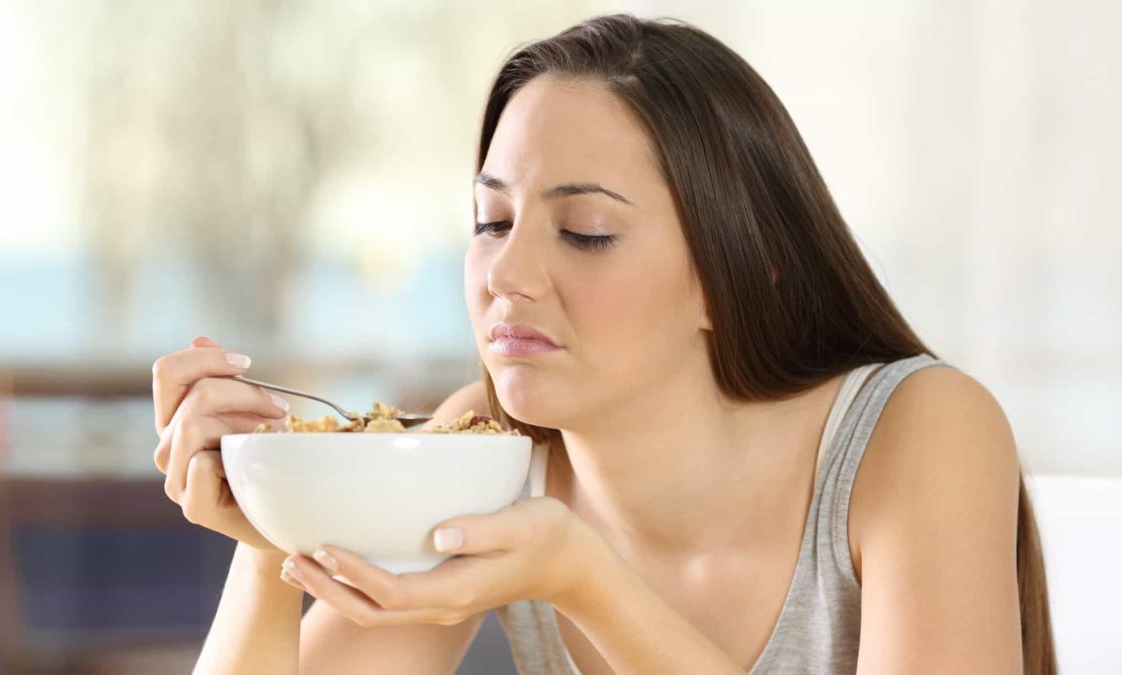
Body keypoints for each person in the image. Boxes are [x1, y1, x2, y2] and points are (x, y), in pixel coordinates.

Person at [151, 13, 1055, 674]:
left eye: (584, 230)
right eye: (491, 219)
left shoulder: (922, 430)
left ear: (741, 269)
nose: (508, 274)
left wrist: (590, 582)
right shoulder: (485, 454)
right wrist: (277, 524)